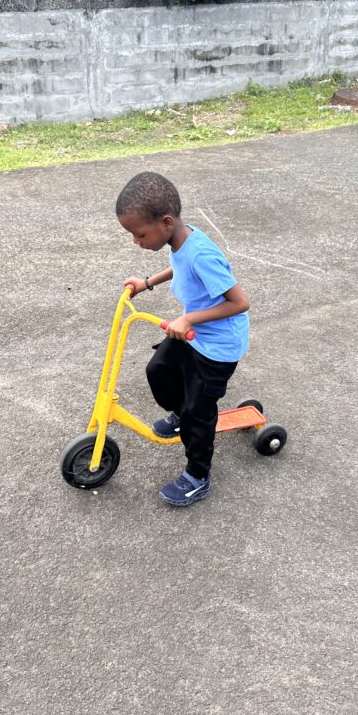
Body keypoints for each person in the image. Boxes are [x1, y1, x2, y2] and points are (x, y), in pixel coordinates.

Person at [116, 171, 250, 506]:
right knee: (158, 371)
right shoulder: (179, 239)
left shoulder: (203, 254)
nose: (136, 241)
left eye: (139, 234)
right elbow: (179, 265)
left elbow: (239, 303)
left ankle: (198, 476)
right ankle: (180, 415)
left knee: (198, 413)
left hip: (217, 346)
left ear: (165, 222)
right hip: (193, 334)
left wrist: (188, 318)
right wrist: (147, 282)